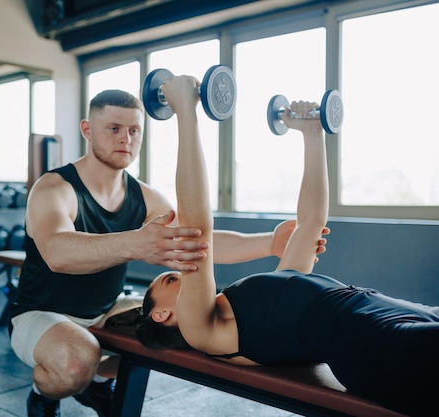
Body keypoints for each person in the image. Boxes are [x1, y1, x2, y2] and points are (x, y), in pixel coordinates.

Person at [126, 75, 439, 417]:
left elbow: (310, 222)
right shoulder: (204, 332)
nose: (178, 271)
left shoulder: (264, 300)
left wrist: (311, 133)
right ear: (162, 315)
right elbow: (195, 227)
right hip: (375, 341)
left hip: (397, 312)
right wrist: (186, 112)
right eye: (169, 279)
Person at [9, 89, 328, 417]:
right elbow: (56, 253)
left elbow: (196, 240)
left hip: (107, 306)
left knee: (190, 327)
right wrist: (137, 242)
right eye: (114, 129)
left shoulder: (143, 195)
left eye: (134, 131)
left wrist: (271, 244)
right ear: (87, 130)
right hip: (41, 313)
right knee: (76, 360)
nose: (126, 139)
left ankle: (96, 381)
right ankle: (43, 395)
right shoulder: (54, 189)